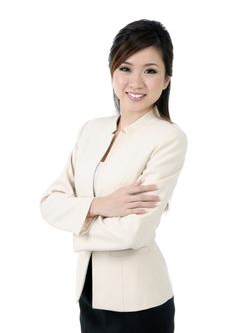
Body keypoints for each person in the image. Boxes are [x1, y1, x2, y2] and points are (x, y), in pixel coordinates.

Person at [39, 19, 188, 333]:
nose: (135, 82)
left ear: (166, 80)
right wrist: (100, 205)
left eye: (150, 70)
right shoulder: (91, 130)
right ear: (111, 72)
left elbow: (134, 233)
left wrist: (76, 225)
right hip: (89, 294)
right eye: (125, 68)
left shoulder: (168, 138)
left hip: (140, 303)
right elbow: (49, 203)